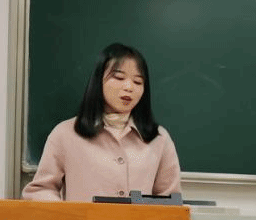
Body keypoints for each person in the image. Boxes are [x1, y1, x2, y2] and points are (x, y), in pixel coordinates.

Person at [22, 42, 181, 202]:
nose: (129, 87)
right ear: (99, 81)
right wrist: (69, 215)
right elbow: (40, 190)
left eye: (138, 82)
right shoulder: (65, 133)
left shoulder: (159, 138)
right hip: (80, 219)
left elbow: (170, 201)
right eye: (119, 78)